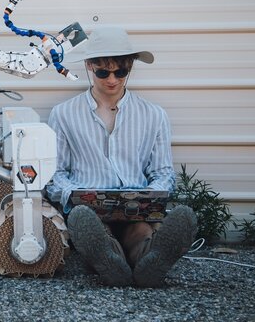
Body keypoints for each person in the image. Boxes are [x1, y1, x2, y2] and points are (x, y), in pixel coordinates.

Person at [46, 26, 197, 287]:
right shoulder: (63, 114)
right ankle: (110, 259)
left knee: (139, 233)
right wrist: (74, 195)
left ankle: (147, 261)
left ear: (130, 67)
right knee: (93, 230)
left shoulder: (154, 115)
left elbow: (162, 172)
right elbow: (55, 174)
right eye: (103, 71)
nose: (112, 79)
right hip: (91, 215)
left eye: (121, 71)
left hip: (136, 212)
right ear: (89, 66)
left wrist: (151, 197)